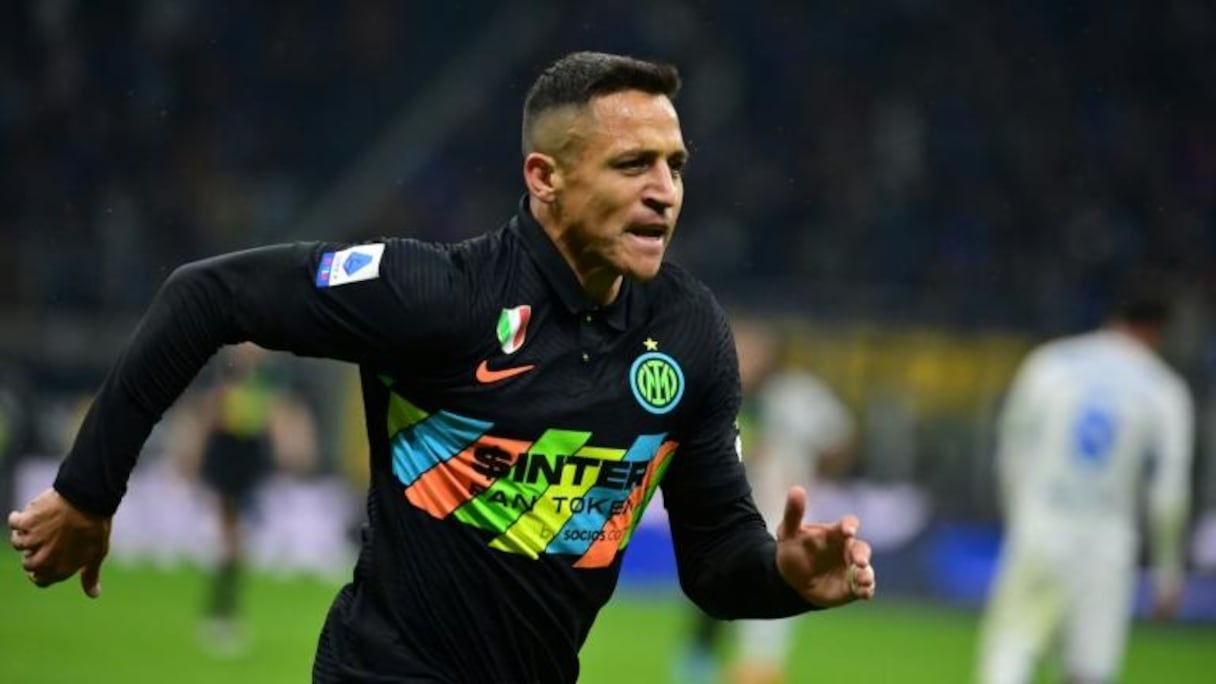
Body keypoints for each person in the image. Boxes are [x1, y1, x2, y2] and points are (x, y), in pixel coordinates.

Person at [8, 51, 876, 683]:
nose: (666, 189)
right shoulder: (437, 295)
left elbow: (716, 557)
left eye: (675, 165)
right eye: (632, 164)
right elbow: (207, 296)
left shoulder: (688, 334)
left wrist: (783, 577)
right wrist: (89, 492)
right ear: (545, 177)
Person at [976, 276, 1194, 684]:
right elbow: (1169, 494)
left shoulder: (1051, 363)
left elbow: (1010, 452)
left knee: (1012, 648)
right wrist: (1168, 572)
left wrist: (1022, 518)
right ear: (1159, 329)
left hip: (1043, 522)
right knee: (1089, 670)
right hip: (1107, 541)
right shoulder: (1165, 391)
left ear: (1113, 316)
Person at [677, 317, 855, 684]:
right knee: (712, 584)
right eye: (740, 349)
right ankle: (700, 664)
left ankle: (758, 667)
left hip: (782, 511)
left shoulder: (798, 394)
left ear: (771, 355)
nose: (745, 359)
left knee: (776, 584)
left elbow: (840, 437)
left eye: (752, 351)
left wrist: (814, 477)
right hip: (732, 508)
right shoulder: (721, 392)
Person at [177, 342, 317, 655]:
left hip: (249, 464)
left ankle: (222, 612)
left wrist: (288, 449)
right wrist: (192, 457)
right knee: (232, 543)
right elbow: (205, 418)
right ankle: (222, 614)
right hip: (227, 461)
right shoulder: (223, 378)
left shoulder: (268, 381)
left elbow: (280, 418)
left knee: (235, 545)